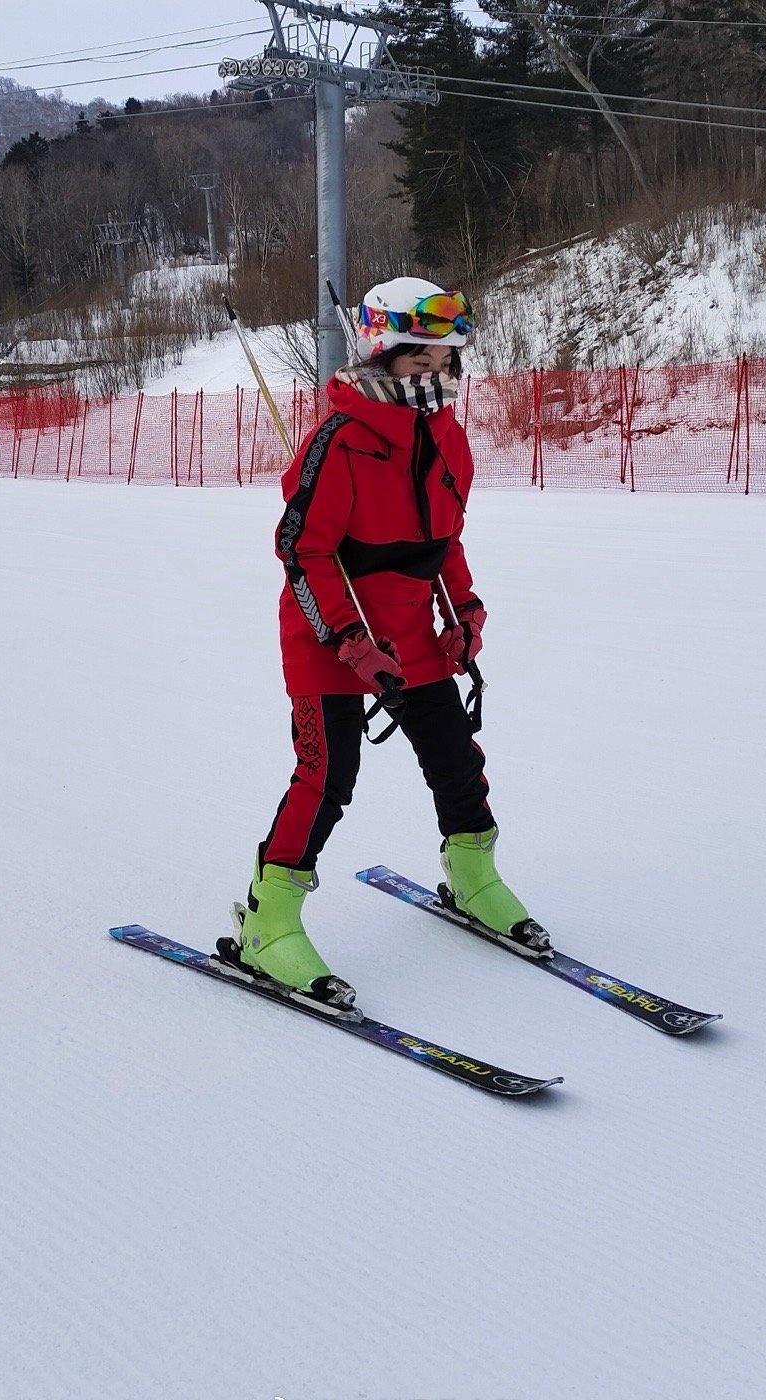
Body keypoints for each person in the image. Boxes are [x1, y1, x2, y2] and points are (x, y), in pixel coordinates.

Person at [227, 276, 545, 1010]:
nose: (433, 372)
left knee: (457, 760)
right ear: (381, 354)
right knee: (327, 777)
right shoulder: (339, 439)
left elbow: (444, 539)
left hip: (411, 632)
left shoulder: (446, 435)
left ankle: (474, 876)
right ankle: (268, 921)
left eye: (445, 358)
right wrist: (346, 640)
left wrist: (463, 612)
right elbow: (300, 552)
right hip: (328, 633)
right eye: (417, 359)